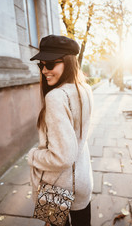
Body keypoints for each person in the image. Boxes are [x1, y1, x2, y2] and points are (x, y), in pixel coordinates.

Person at [27, 34, 93, 226]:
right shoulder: (85, 90)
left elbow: (62, 157)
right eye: (41, 65)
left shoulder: (56, 97)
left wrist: (33, 156)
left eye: (50, 64)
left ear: (68, 62)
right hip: (82, 180)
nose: (44, 70)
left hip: (56, 187)